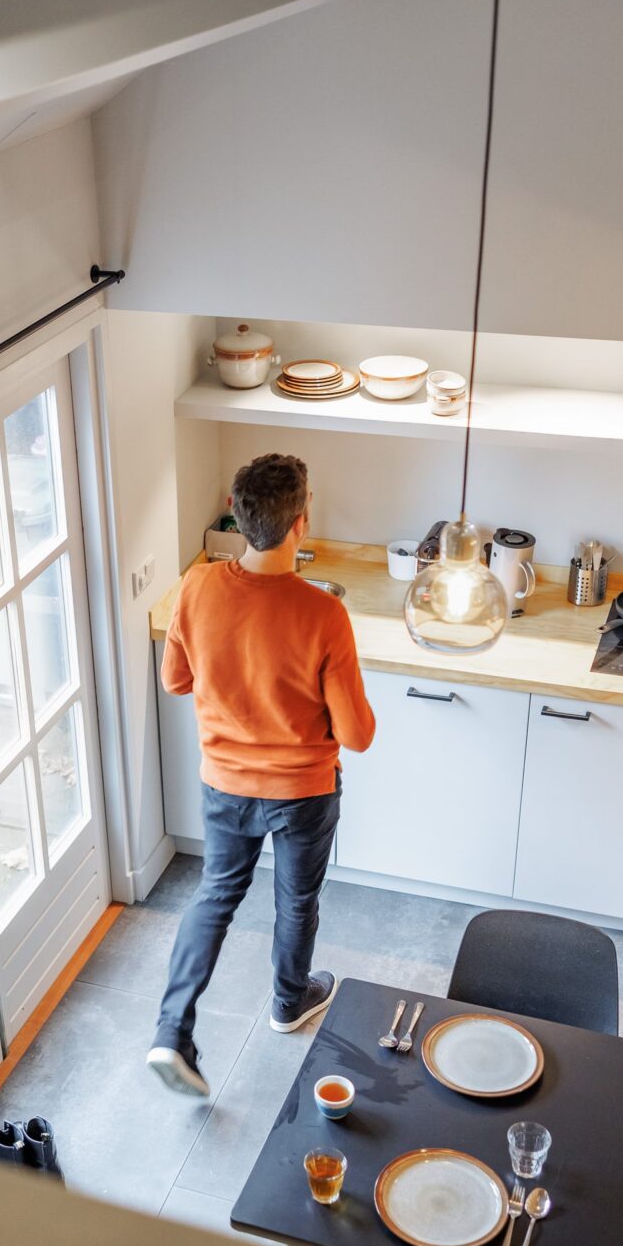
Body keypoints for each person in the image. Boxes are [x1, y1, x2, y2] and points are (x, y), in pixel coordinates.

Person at [147, 453, 376, 1096]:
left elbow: (176, 680)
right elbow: (358, 736)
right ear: (301, 523)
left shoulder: (196, 587)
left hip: (224, 783)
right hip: (302, 791)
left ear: (237, 513)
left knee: (215, 895)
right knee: (296, 899)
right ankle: (287, 1002)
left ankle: (171, 1031)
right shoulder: (324, 614)